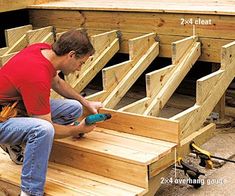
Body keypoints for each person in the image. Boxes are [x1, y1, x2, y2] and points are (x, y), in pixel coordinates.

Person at [0, 29, 102, 196]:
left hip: (12, 107)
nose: (79, 69)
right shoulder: (36, 76)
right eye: (81, 63)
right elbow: (47, 126)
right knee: (42, 130)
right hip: (3, 118)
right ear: (71, 54)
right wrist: (77, 130)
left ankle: (14, 144)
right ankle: (30, 192)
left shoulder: (41, 50)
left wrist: (85, 102)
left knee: (74, 107)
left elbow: (57, 82)